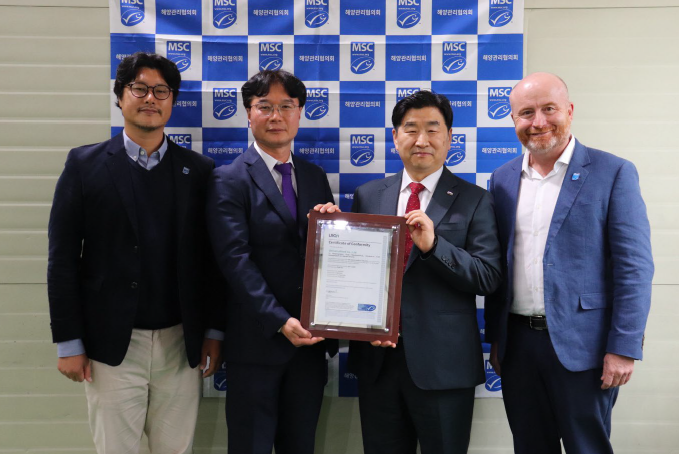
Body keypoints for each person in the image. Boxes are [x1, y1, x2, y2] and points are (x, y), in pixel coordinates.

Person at [47, 52, 223, 454]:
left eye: (161, 91)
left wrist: (214, 331)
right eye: (139, 88)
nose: (150, 99)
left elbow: (210, 262)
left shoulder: (199, 171)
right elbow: (62, 261)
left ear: (172, 101)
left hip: (180, 342)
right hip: (110, 344)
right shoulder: (84, 165)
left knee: (176, 449)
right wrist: (69, 342)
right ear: (120, 96)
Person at [485, 72, 654, 454]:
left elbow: (634, 268)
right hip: (518, 348)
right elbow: (500, 265)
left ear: (570, 111)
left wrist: (624, 346)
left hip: (586, 349)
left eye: (549, 109)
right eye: (526, 113)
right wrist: (498, 339)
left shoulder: (613, 172)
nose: (538, 122)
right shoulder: (502, 179)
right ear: (513, 119)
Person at [347, 90, 502, 454]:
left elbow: (487, 277)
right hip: (378, 362)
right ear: (394, 136)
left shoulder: (475, 199)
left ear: (449, 137)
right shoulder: (369, 195)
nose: (421, 140)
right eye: (411, 129)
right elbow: (355, 273)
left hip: (444, 366)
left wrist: (434, 247)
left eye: (433, 129)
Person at [205, 69, 338, 454]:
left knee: (301, 445)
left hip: (309, 345)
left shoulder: (314, 176)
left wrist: (335, 229)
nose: (276, 116)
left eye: (286, 106)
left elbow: (327, 255)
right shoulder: (228, 179)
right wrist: (279, 320)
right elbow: (235, 260)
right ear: (249, 114)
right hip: (257, 344)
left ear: (300, 113)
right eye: (264, 106)